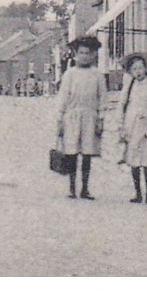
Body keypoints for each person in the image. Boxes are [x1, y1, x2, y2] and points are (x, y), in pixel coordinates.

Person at [54, 35, 106, 200]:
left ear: (92, 55)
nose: (84, 56)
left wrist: (101, 119)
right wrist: (60, 119)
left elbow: (102, 98)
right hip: (72, 116)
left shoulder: (97, 75)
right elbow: (63, 97)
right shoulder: (70, 74)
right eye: (81, 52)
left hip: (90, 116)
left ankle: (85, 188)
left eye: (87, 53)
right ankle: (71, 187)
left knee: (87, 152)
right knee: (71, 151)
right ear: (75, 54)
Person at [117, 52, 147, 205]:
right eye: (134, 69)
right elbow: (121, 106)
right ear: (130, 72)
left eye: (140, 68)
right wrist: (121, 126)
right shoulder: (129, 88)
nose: (138, 72)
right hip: (132, 126)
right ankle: (138, 193)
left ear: (146, 70)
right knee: (134, 159)